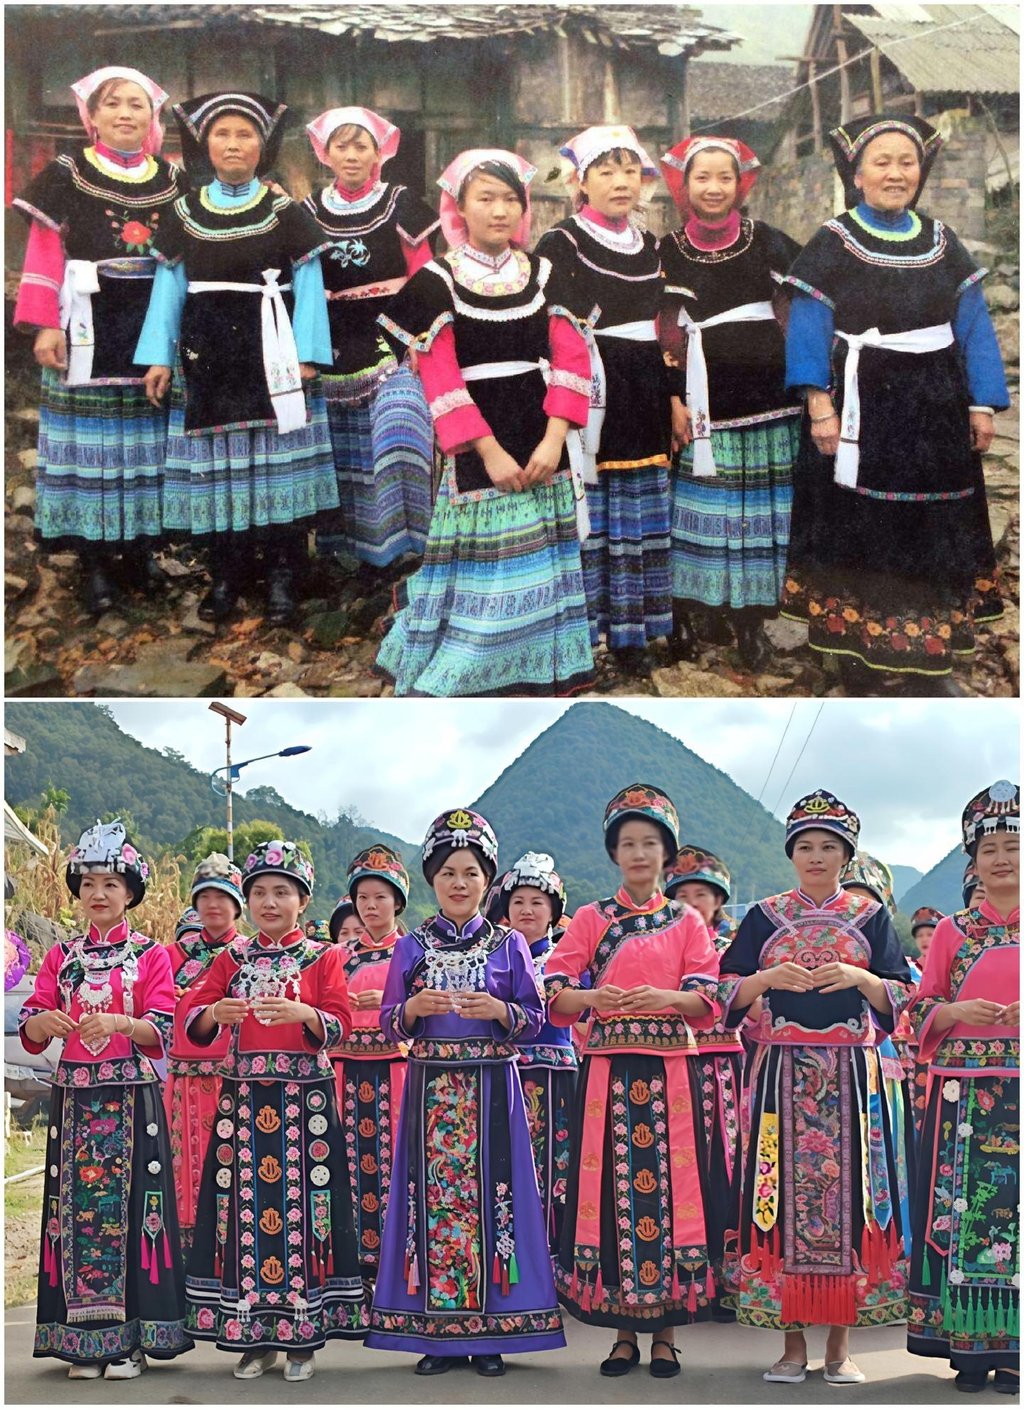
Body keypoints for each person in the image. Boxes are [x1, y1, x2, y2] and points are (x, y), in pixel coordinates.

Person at [781, 115, 1009, 697]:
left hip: (934, 409)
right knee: (863, 525)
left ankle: (932, 661)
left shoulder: (941, 241)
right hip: (862, 409)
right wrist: (819, 405)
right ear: (856, 174)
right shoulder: (833, 242)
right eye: (881, 162)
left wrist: (982, 403)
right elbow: (809, 325)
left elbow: (975, 326)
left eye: (906, 163)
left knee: (932, 524)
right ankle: (855, 655)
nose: (895, 173)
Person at [375, 149, 594, 696]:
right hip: (476, 438)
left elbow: (572, 358)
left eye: (510, 199)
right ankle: (476, 664)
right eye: (485, 198)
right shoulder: (435, 279)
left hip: (541, 429)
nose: (499, 211)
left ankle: (538, 662)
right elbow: (440, 374)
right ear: (459, 208)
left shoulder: (545, 274)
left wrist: (553, 439)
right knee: (485, 562)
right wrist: (488, 451)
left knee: (540, 556)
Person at [719, 791, 914, 1385]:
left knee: (851, 1210)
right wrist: (766, 977)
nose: (816, 856)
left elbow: (904, 996)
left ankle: (839, 1349)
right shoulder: (764, 916)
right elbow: (722, 993)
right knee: (775, 1205)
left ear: (846, 855)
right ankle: (790, 1348)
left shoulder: (869, 916)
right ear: (791, 854)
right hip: (780, 1079)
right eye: (805, 846)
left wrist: (859, 975)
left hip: (852, 1082)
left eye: (829, 846)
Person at [365, 809, 565, 1375]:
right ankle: (437, 1336)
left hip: (493, 1088)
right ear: (433, 879)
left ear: (486, 881)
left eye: (472, 872)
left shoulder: (508, 945)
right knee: (429, 1205)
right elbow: (387, 1022)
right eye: (449, 871)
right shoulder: (411, 946)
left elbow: (533, 1015)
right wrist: (412, 1009)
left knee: (495, 1201)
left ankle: (492, 1335)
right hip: (430, 1089)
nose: (460, 882)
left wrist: (501, 1010)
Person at [135, 92, 338, 627]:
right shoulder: (184, 212)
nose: (233, 144)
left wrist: (309, 354)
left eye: (245, 134)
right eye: (222, 134)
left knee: (278, 464)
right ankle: (225, 574)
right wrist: (158, 356)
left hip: (273, 350)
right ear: (205, 144)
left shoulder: (283, 211)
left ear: (262, 146)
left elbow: (311, 284)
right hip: (208, 352)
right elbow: (169, 285)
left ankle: (281, 576)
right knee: (219, 465)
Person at [545, 785, 723, 1378]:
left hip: (671, 1073)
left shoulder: (687, 920)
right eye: (628, 843)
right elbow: (555, 992)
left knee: (671, 1202)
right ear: (614, 853)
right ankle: (623, 1334)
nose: (639, 852)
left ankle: (667, 1336)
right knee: (611, 1200)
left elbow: (708, 1000)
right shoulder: (593, 919)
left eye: (650, 842)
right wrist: (595, 996)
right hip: (607, 1075)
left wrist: (666, 997)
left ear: (667, 854)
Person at [182, 840, 368, 1381]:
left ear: (302, 901)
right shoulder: (231, 957)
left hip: (304, 1103)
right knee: (243, 1216)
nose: (268, 902)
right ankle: (252, 1337)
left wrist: (303, 1011)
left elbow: (341, 1020)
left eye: (281, 892)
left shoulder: (322, 955)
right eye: (259, 892)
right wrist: (216, 1010)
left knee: (305, 1212)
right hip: (242, 1102)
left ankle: (302, 1338)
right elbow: (192, 1015)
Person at [18, 821, 192, 1378]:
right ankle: (83, 1340)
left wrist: (124, 1021)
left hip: (131, 1098)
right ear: (77, 889)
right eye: (89, 882)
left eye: (111, 883)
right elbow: (33, 1022)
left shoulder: (151, 955)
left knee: (134, 1212)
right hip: (74, 1101)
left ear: (131, 892)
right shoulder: (61, 956)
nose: (99, 893)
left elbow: (163, 1026)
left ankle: (132, 1341)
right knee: (75, 1216)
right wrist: (42, 1019)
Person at [12, 66, 185, 615]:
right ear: (92, 116)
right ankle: (94, 563)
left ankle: (140, 552)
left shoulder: (174, 179)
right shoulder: (67, 172)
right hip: (85, 321)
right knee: (92, 444)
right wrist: (45, 324)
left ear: (152, 117)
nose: (126, 113)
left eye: (137, 104)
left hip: (151, 321)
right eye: (113, 104)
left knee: (146, 439)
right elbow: (44, 252)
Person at [658, 136, 802, 670]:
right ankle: (701, 610)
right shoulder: (665, 251)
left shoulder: (768, 242)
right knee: (705, 511)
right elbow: (665, 330)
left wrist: (814, 382)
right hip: (704, 404)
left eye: (725, 177)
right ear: (684, 184)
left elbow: (798, 307)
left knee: (759, 518)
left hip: (769, 399)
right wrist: (673, 398)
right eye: (702, 177)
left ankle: (752, 624)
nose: (714, 187)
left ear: (741, 183)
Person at [536, 126, 673, 671]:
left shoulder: (652, 246)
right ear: (582, 181)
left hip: (644, 384)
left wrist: (675, 397)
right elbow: (551, 329)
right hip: (592, 387)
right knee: (594, 506)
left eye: (631, 171)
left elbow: (661, 329)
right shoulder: (561, 243)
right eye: (606, 171)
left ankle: (633, 634)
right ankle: (584, 633)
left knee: (639, 501)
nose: (621, 182)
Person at [907, 781, 1019, 1394]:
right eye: (990, 848)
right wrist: (955, 1013)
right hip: (963, 1098)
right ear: (972, 862)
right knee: (963, 1216)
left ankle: (1016, 1349)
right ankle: (969, 1348)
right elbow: (920, 1008)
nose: (1002, 857)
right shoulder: (952, 930)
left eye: (1014, 845)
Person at [303, 107, 438, 567]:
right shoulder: (309, 210)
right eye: (341, 145)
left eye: (362, 145)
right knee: (341, 443)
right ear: (325, 153)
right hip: (334, 335)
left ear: (379, 152)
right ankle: (350, 555)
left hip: (391, 334)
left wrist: (421, 337)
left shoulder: (401, 202)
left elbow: (422, 273)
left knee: (397, 429)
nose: (352, 155)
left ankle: (406, 548)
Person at [663, 843, 745, 1319]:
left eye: (702, 893)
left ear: (719, 900)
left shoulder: (735, 950)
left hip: (725, 1072)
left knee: (725, 1171)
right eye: (682, 893)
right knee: (681, 1172)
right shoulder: (663, 942)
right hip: (677, 1067)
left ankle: (728, 1279)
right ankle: (688, 1275)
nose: (692, 902)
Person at [331, 845, 411, 1280]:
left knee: (396, 1161)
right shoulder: (338, 956)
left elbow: (429, 1010)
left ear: (396, 901)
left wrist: (391, 1003)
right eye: (363, 898)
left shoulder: (412, 953)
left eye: (380, 896)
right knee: (349, 1163)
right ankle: (355, 1268)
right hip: (346, 1071)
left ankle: (397, 1265)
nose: (371, 906)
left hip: (395, 1071)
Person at [494, 852, 579, 1250]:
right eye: (518, 902)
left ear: (553, 912)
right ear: (506, 911)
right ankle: (513, 1248)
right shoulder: (492, 958)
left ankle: (554, 1250)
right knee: (508, 1161)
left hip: (555, 1074)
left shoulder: (567, 958)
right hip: (505, 1074)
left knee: (556, 1163)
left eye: (537, 902)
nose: (527, 910)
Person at [164, 854, 246, 1253]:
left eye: (223, 895)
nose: (213, 904)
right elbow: (157, 1009)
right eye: (205, 895)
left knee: (231, 1165)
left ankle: (229, 1251)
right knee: (182, 1167)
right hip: (182, 1079)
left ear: (237, 904)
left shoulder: (248, 954)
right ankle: (185, 1261)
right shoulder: (171, 954)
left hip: (232, 1077)